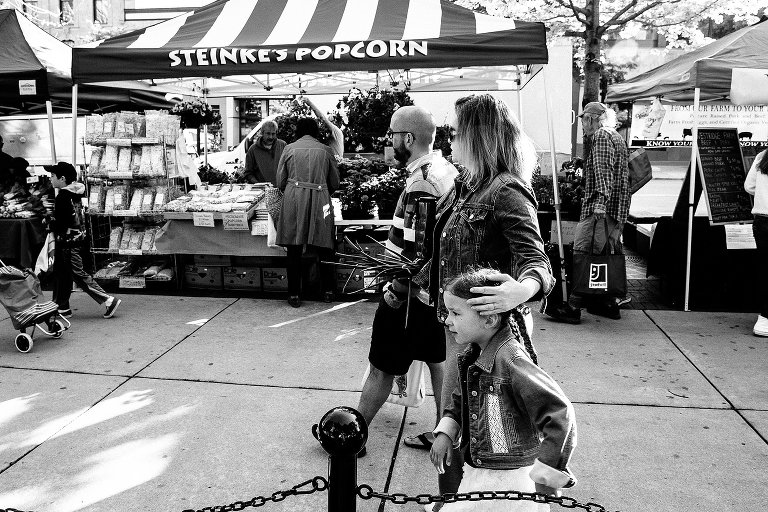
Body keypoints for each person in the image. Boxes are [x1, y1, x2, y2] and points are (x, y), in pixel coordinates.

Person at [413, 94, 555, 508]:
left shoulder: (506, 191)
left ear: (477, 136)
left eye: (457, 133)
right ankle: (456, 497)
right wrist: (409, 284)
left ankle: (472, 499)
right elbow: (445, 256)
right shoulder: (467, 188)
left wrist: (521, 290)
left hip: (492, 333)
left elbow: (536, 261)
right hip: (460, 324)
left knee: (482, 426)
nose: (451, 142)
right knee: (453, 418)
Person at [356, 105, 458, 456]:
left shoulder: (422, 181)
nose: (390, 141)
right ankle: (447, 432)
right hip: (435, 294)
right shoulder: (444, 170)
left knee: (381, 367)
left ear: (409, 138)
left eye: (393, 135)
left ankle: (353, 435)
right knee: (437, 361)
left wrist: (397, 292)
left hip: (413, 295)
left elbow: (416, 252)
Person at [430, 269, 577, 512]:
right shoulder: (472, 354)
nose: (447, 320)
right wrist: (446, 431)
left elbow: (560, 414)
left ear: (489, 320)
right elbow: (461, 399)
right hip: (479, 473)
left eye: (455, 313)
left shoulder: (511, 360)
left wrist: (548, 474)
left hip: (512, 483)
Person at [545, 102, 630, 323]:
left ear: (592, 119)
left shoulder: (601, 136)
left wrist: (599, 203)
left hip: (599, 208)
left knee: (584, 252)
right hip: (616, 209)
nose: (582, 125)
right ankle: (607, 303)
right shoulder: (616, 136)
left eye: (583, 120)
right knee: (604, 255)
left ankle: (572, 306)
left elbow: (604, 172)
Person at [275, 118, 339, 308]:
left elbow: (280, 181)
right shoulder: (326, 150)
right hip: (320, 198)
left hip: (294, 198)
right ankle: (327, 291)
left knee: (294, 248)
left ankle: (294, 293)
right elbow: (334, 182)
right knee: (325, 247)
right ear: (316, 131)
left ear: (299, 131)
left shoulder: (289, 149)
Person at [46, 162, 121, 319]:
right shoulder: (78, 193)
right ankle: (62, 307)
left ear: (62, 178)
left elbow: (61, 223)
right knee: (62, 273)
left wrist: (49, 222)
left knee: (78, 274)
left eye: (52, 176)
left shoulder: (62, 197)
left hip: (68, 242)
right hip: (79, 239)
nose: (50, 179)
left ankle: (107, 300)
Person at [745, 148, 768, 337]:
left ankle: (764, 318)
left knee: (765, 268)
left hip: (762, 220)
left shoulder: (762, 156)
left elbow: (749, 187)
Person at [243, 120, 286, 186]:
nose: (271, 137)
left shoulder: (283, 145)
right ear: (262, 133)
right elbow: (248, 173)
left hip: (281, 190)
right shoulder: (253, 150)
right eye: (268, 133)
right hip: (262, 191)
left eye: (273, 134)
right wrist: (259, 185)